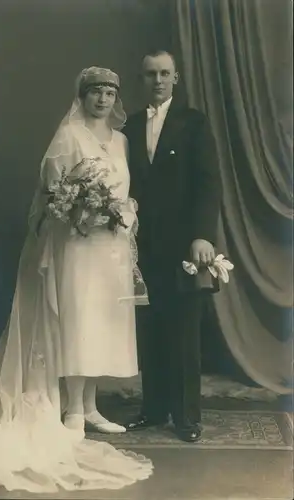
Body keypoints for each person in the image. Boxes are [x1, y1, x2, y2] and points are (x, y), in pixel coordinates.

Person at [0, 67, 153, 493]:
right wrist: (84, 213)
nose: (103, 99)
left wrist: (124, 214)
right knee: (76, 323)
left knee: (101, 327)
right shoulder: (68, 138)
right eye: (96, 92)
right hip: (75, 248)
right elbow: (53, 195)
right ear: (83, 96)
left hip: (110, 252)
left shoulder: (123, 141)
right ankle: (72, 410)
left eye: (110, 91)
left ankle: (90, 405)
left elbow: (125, 193)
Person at [123, 50, 222, 442]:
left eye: (165, 73)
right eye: (150, 74)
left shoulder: (194, 123)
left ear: (176, 78)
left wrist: (203, 235)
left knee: (184, 333)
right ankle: (153, 408)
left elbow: (208, 181)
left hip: (185, 245)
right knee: (151, 329)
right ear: (142, 79)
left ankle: (186, 418)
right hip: (143, 246)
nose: (158, 80)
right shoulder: (129, 126)